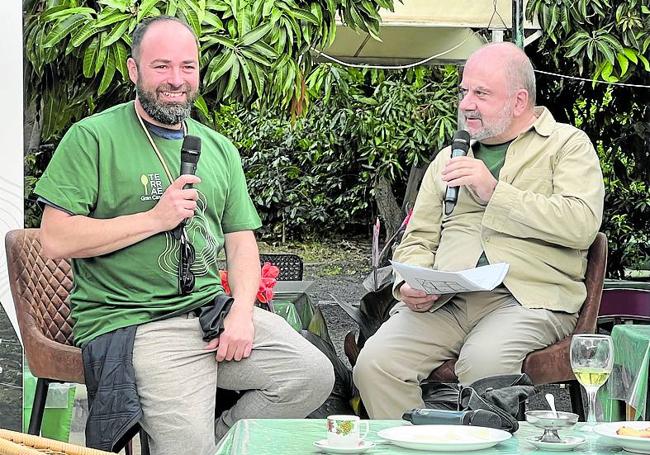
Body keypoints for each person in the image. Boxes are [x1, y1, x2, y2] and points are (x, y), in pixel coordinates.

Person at [34, 16, 334, 455]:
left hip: (211, 315)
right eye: (161, 67)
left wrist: (243, 314)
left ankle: (217, 445)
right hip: (138, 325)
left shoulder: (218, 147)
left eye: (187, 67)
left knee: (311, 374)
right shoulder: (92, 138)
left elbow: (241, 242)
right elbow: (55, 239)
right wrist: (155, 219)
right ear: (133, 70)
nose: (176, 80)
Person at [353, 42, 605, 419]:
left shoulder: (566, 145)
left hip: (527, 300)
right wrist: (409, 283)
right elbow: (418, 238)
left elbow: (582, 224)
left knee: (483, 364)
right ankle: (420, 447)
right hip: (446, 301)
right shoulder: (450, 158)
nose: (466, 103)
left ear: (519, 101)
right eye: (464, 92)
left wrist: (494, 193)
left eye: (481, 93)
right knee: (375, 364)